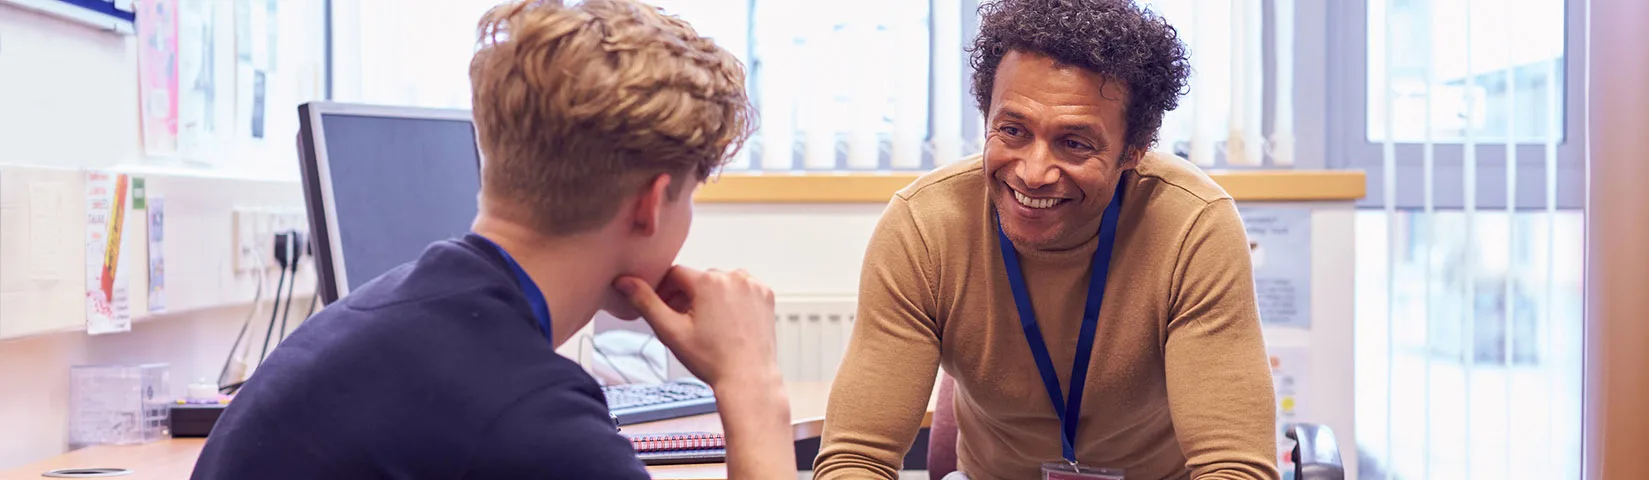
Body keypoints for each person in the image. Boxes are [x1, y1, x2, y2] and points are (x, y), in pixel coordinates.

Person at [190, 1, 792, 478]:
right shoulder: (532, 424)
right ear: (651, 203)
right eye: (691, 194)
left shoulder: (362, 322)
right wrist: (752, 388)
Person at [812, 0, 1281, 478]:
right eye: (1012, 131)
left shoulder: (1193, 229)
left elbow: (1235, 466)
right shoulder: (925, 227)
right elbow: (857, 457)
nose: (1033, 173)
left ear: (1133, 151)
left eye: (1074, 143)